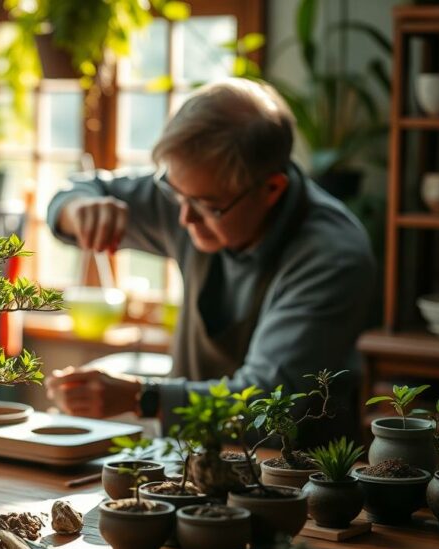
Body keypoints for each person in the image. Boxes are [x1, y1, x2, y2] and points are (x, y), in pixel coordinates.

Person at [44, 78, 375, 443]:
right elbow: (76, 192)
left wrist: (143, 398)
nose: (184, 218)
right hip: (191, 463)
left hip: (293, 479)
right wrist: (79, 210)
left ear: (271, 189)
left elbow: (267, 404)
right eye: (175, 193)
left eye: (207, 205)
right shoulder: (194, 195)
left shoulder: (331, 256)